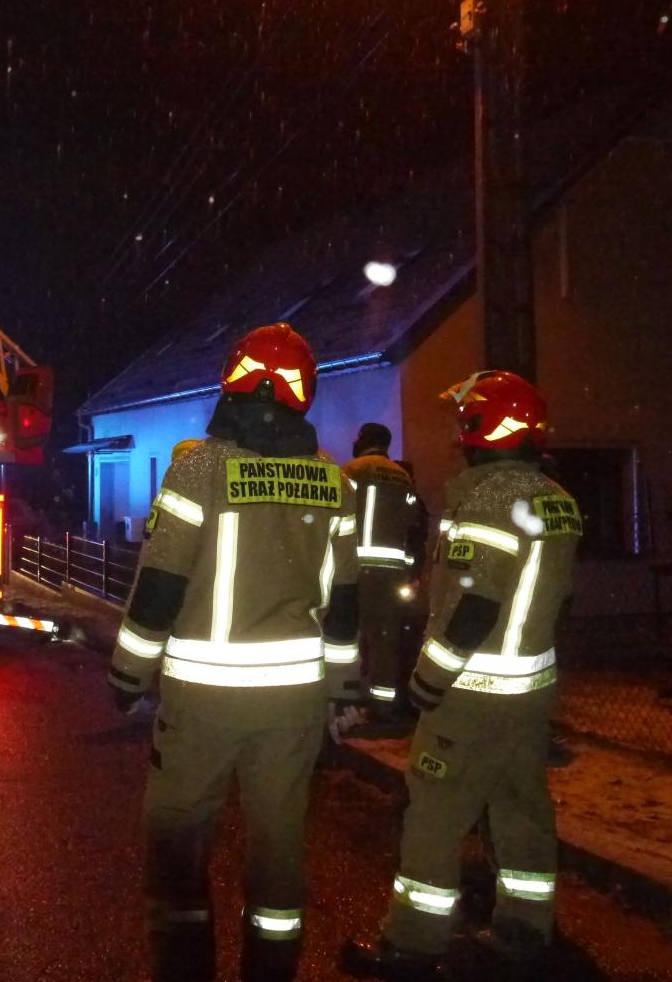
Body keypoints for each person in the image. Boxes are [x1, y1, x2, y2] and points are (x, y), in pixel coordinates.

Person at [109, 323, 363, 982]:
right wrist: (341, 691)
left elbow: (160, 586)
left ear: (233, 381)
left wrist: (129, 674)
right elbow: (345, 605)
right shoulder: (333, 482)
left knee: (178, 847)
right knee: (279, 850)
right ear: (303, 394)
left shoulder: (199, 470)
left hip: (203, 707)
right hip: (295, 708)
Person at [342, 370, 581, 979]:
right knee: (521, 810)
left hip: (471, 696)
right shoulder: (557, 498)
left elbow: (474, 604)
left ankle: (411, 947)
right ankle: (525, 933)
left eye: (465, 421)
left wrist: (428, 679)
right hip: (528, 693)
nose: (458, 434)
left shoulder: (489, 498)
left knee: (434, 816)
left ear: (483, 426)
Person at [340, 423, 419, 722]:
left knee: (350, 635)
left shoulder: (350, 470)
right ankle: (383, 705)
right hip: (392, 573)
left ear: (363, 441)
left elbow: (337, 515)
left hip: (355, 568)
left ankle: (350, 699)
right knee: (386, 639)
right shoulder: (403, 477)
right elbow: (411, 522)